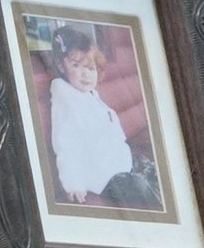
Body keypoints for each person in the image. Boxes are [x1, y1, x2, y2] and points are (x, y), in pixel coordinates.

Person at [43, 24, 157, 209]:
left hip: (119, 163)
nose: (86, 74)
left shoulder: (89, 95)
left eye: (91, 68)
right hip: (104, 177)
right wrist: (73, 182)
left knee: (151, 172)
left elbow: (107, 125)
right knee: (139, 189)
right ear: (61, 66)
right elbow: (66, 144)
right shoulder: (66, 103)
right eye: (76, 66)